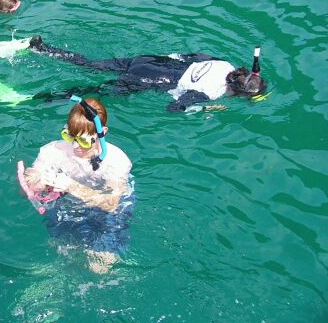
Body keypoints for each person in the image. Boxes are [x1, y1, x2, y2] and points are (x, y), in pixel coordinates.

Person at [17, 97, 134, 274]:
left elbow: (112, 204)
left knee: (99, 267)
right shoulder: (53, 150)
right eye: (69, 136)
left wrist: (72, 187)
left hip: (107, 211)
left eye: (84, 141)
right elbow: (30, 185)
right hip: (68, 204)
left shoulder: (116, 161)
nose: (74, 145)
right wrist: (35, 183)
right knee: (64, 253)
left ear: (102, 133)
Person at [25, 36, 268, 112]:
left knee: (90, 64)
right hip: (151, 80)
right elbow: (174, 108)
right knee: (97, 91)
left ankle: (41, 48)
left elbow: (187, 57)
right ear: (236, 92)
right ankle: (45, 97)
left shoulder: (223, 63)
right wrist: (206, 108)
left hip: (151, 61)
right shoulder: (213, 93)